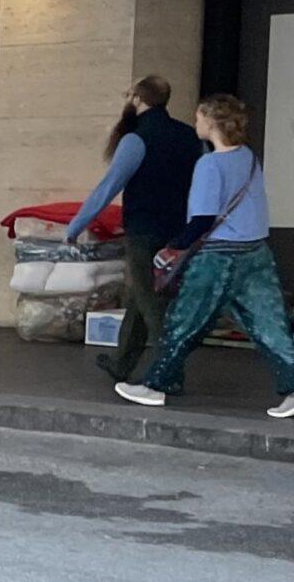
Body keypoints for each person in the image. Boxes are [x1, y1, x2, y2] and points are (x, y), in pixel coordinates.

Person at [115, 94, 294, 418]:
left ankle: (157, 385)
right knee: (271, 327)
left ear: (211, 123)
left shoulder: (209, 164)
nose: (195, 123)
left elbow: (202, 219)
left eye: (199, 118)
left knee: (183, 322)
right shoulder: (249, 158)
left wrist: (173, 247)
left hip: (218, 258)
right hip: (256, 253)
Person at [66, 76, 199, 383]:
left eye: (129, 95)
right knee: (141, 298)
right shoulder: (190, 136)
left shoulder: (136, 138)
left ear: (139, 99)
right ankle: (122, 363)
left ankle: (170, 370)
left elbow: (108, 187)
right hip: (178, 231)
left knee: (151, 303)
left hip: (144, 230)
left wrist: (76, 225)